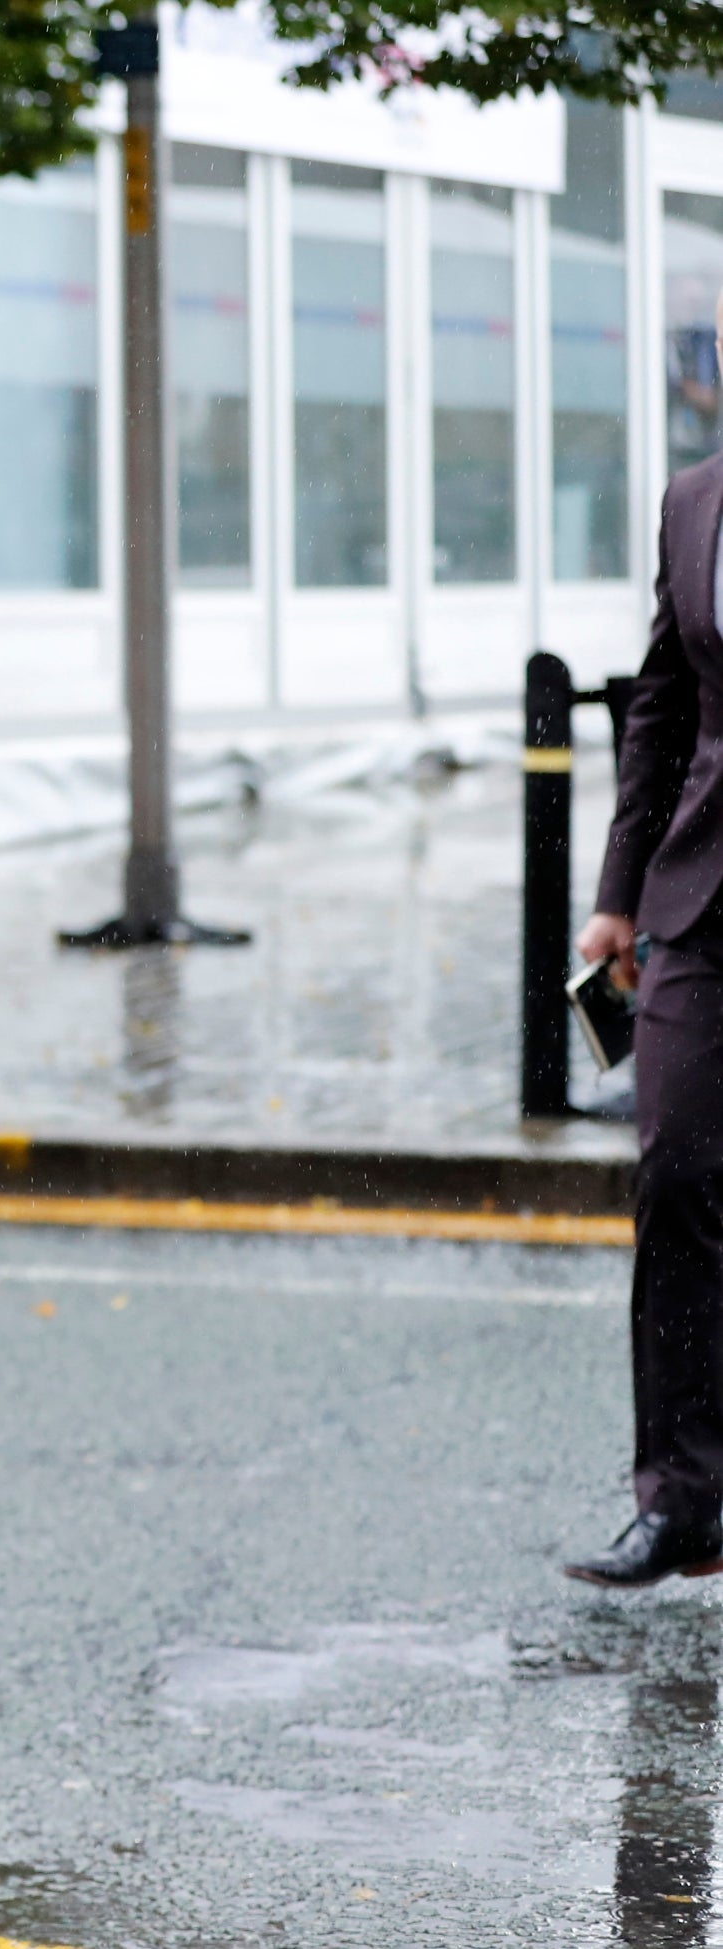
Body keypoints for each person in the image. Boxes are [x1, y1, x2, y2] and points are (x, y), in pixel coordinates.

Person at [570, 282, 723, 1590]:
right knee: (674, 1174)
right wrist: (619, 889)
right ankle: (681, 1497)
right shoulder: (691, 502)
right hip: (703, 900)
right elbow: (660, 708)